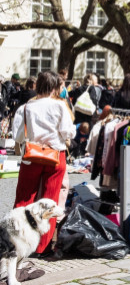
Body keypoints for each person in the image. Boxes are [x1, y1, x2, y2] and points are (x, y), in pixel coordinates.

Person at [12, 71, 75, 257]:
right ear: (55, 87)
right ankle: (43, 247)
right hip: (55, 155)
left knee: (24, 198)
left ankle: (17, 241)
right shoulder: (59, 106)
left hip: (32, 155)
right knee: (50, 200)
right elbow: (68, 132)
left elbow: (18, 136)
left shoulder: (26, 108)